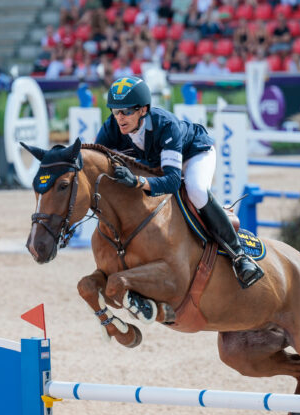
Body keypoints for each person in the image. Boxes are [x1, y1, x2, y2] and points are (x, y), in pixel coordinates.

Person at [93, 76, 263, 288]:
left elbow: (173, 181)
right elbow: (93, 159)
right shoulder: (112, 128)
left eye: (127, 111)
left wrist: (137, 181)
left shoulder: (166, 126)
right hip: (155, 163)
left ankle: (239, 257)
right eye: (115, 111)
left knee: (196, 190)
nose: (120, 118)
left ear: (143, 110)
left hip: (194, 154)